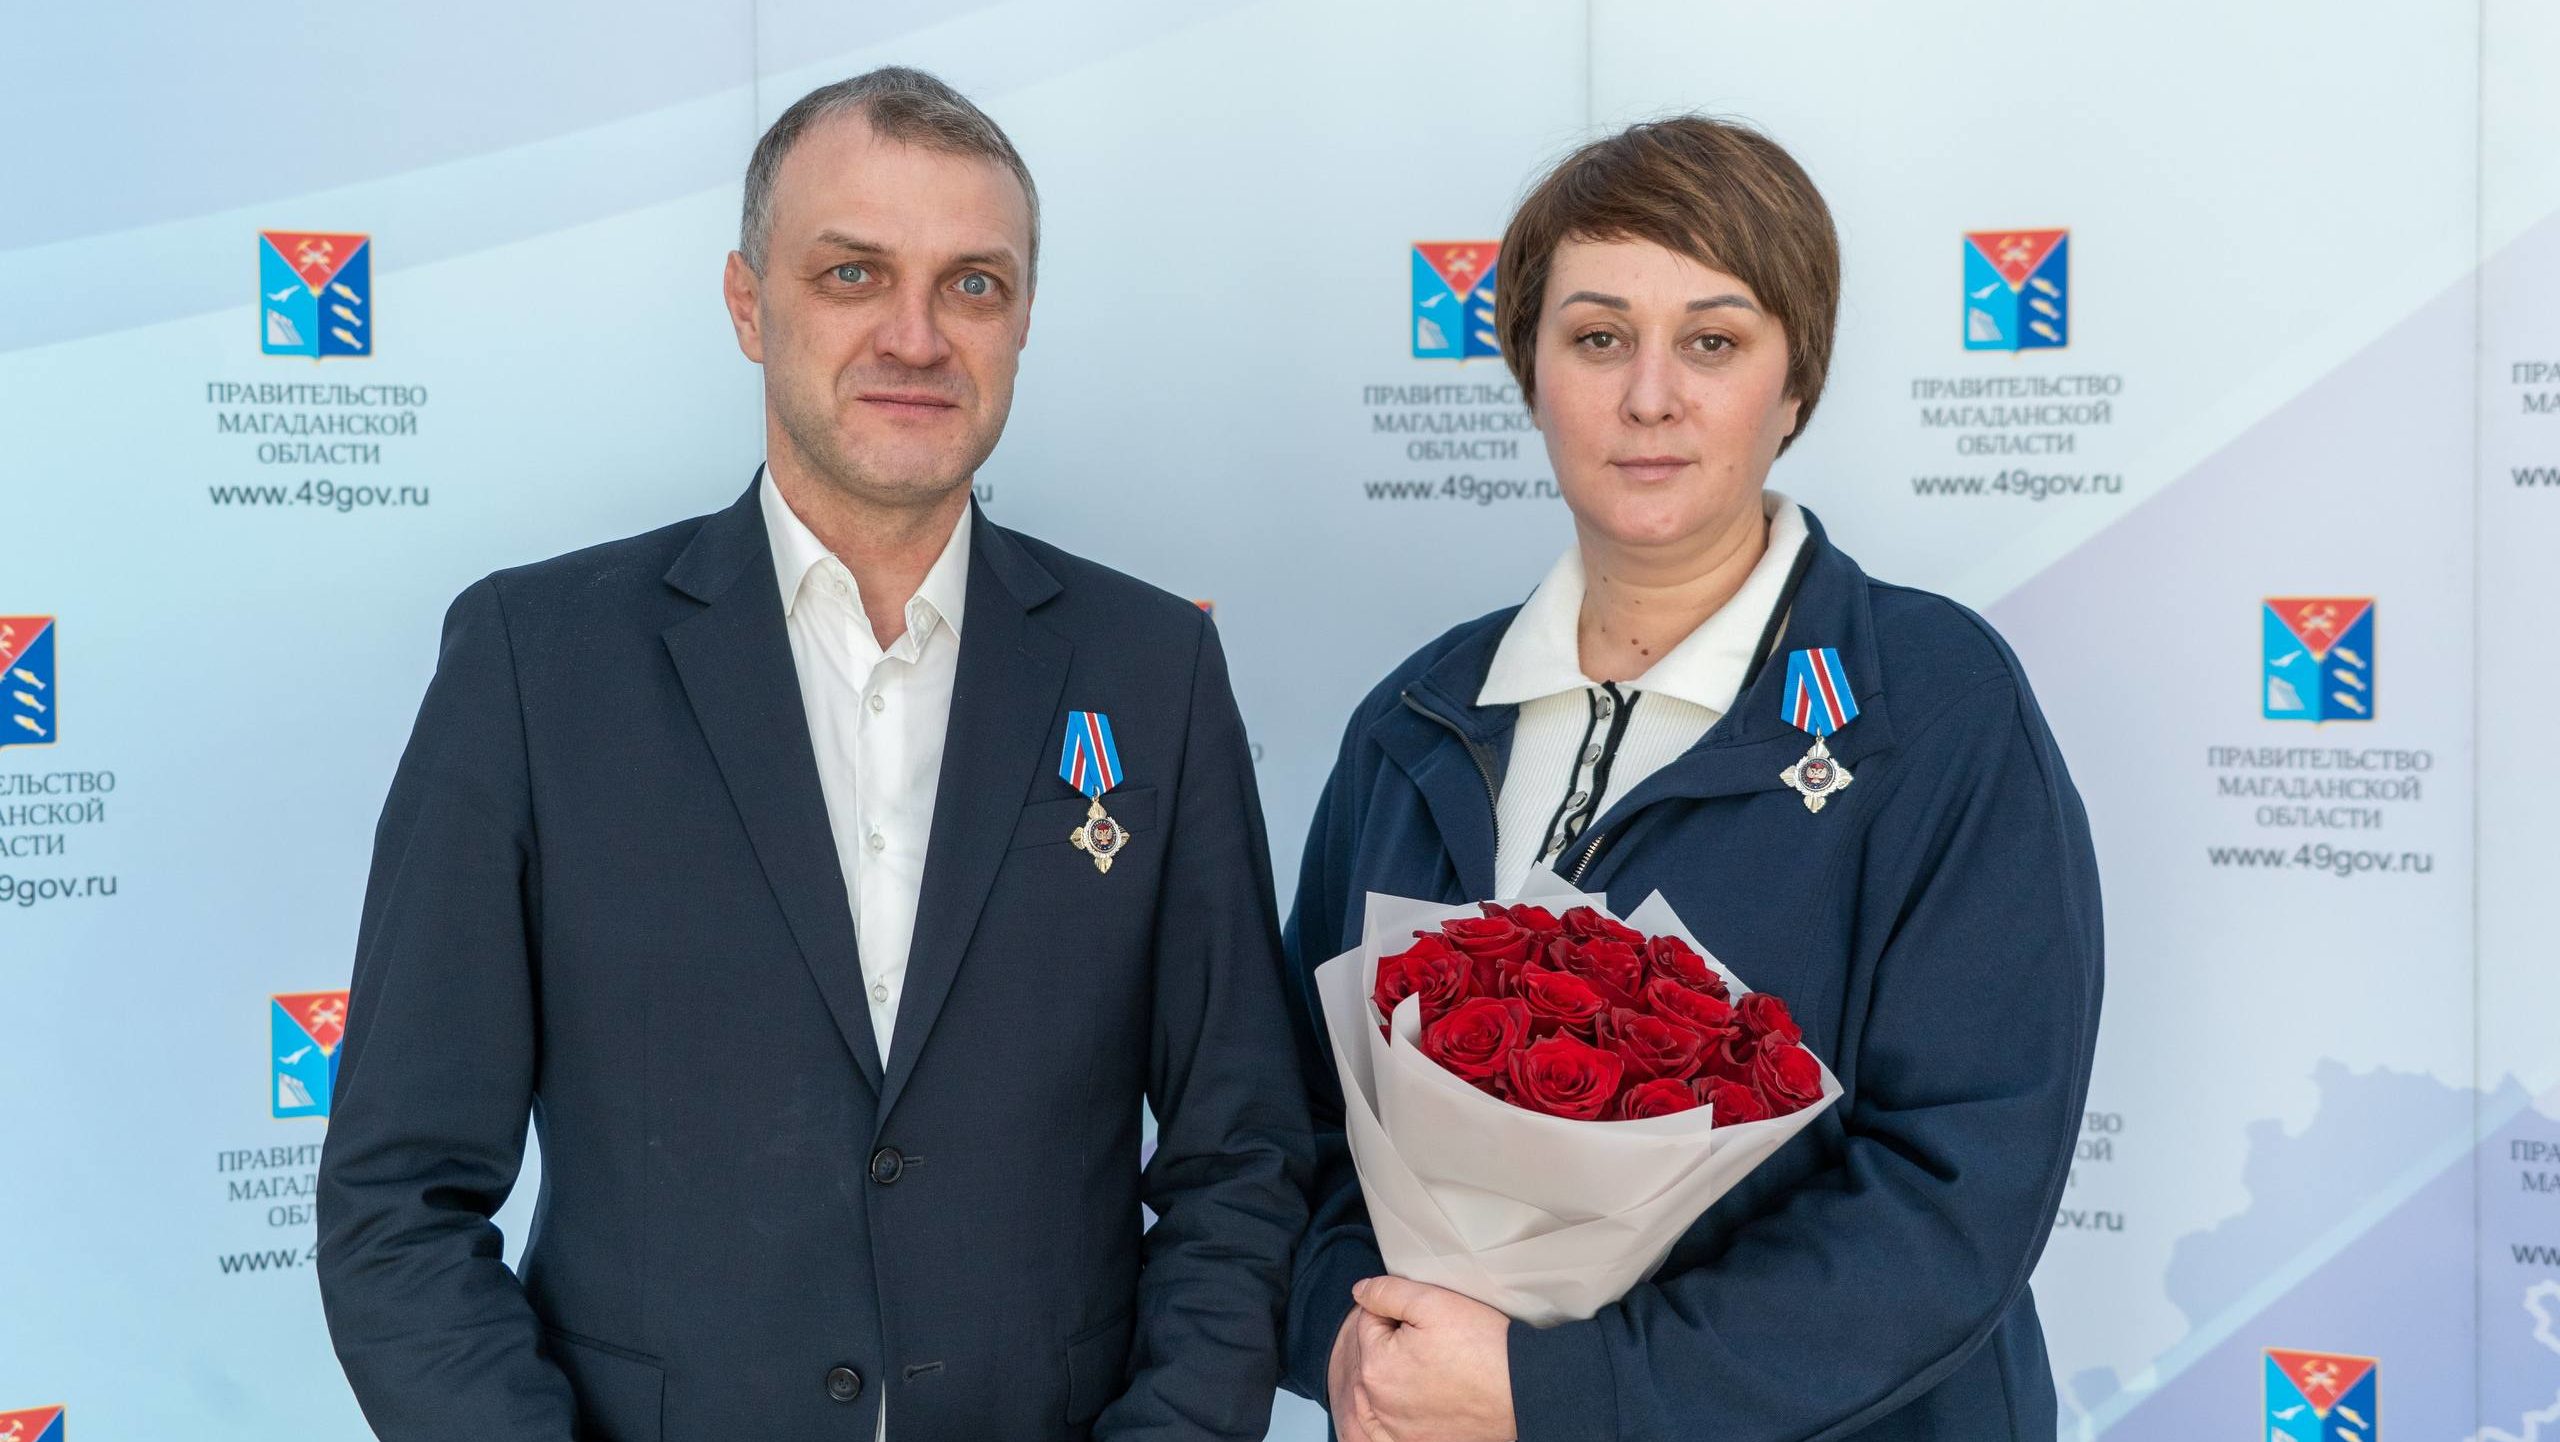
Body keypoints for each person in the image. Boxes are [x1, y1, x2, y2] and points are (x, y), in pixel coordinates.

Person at [317, 67, 1310, 1441]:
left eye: (973, 285)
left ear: (1023, 318)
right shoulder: (535, 664)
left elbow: (1243, 1161)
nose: (916, 335)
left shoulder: (1154, 669)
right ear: (748, 304)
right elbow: (399, 1201)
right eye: (854, 273)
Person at [1280, 117, 2103, 1441]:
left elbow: (1956, 1191)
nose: (1650, 397)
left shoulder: (1938, 706)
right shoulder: (1416, 721)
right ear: (1530, 373)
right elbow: (1295, 1135)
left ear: (1796, 384)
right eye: (1598, 338)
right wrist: (1355, 1346)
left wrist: (1556, 1394)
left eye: (1712, 342)